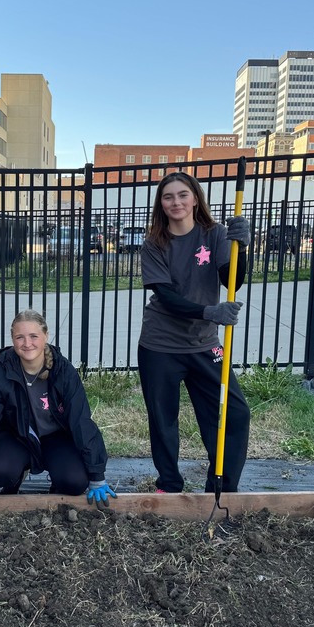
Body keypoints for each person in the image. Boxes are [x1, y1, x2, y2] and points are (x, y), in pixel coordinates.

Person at [137, 171, 252, 494]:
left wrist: (242, 249)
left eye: (182, 195)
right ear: (161, 203)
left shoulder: (215, 234)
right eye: (168, 196)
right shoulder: (154, 243)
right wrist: (209, 312)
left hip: (204, 344)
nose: (176, 202)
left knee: (235, 413)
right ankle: (169, 484)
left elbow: (232, 281)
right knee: (163, 419)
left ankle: (222, 486)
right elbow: (165, 295)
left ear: (195, 198)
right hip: (160, 345)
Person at [0, 309, 116, 508]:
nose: (27, 343)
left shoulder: (63, 371)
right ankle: (16, 476)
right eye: (20, 337)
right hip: (17, 437)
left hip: (55, 438)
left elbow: (81, 421)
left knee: (74, 481)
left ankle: (57, 488)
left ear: (46, 336)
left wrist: (97, 475)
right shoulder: (0, 370)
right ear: (12, 339)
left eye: (34, 336)